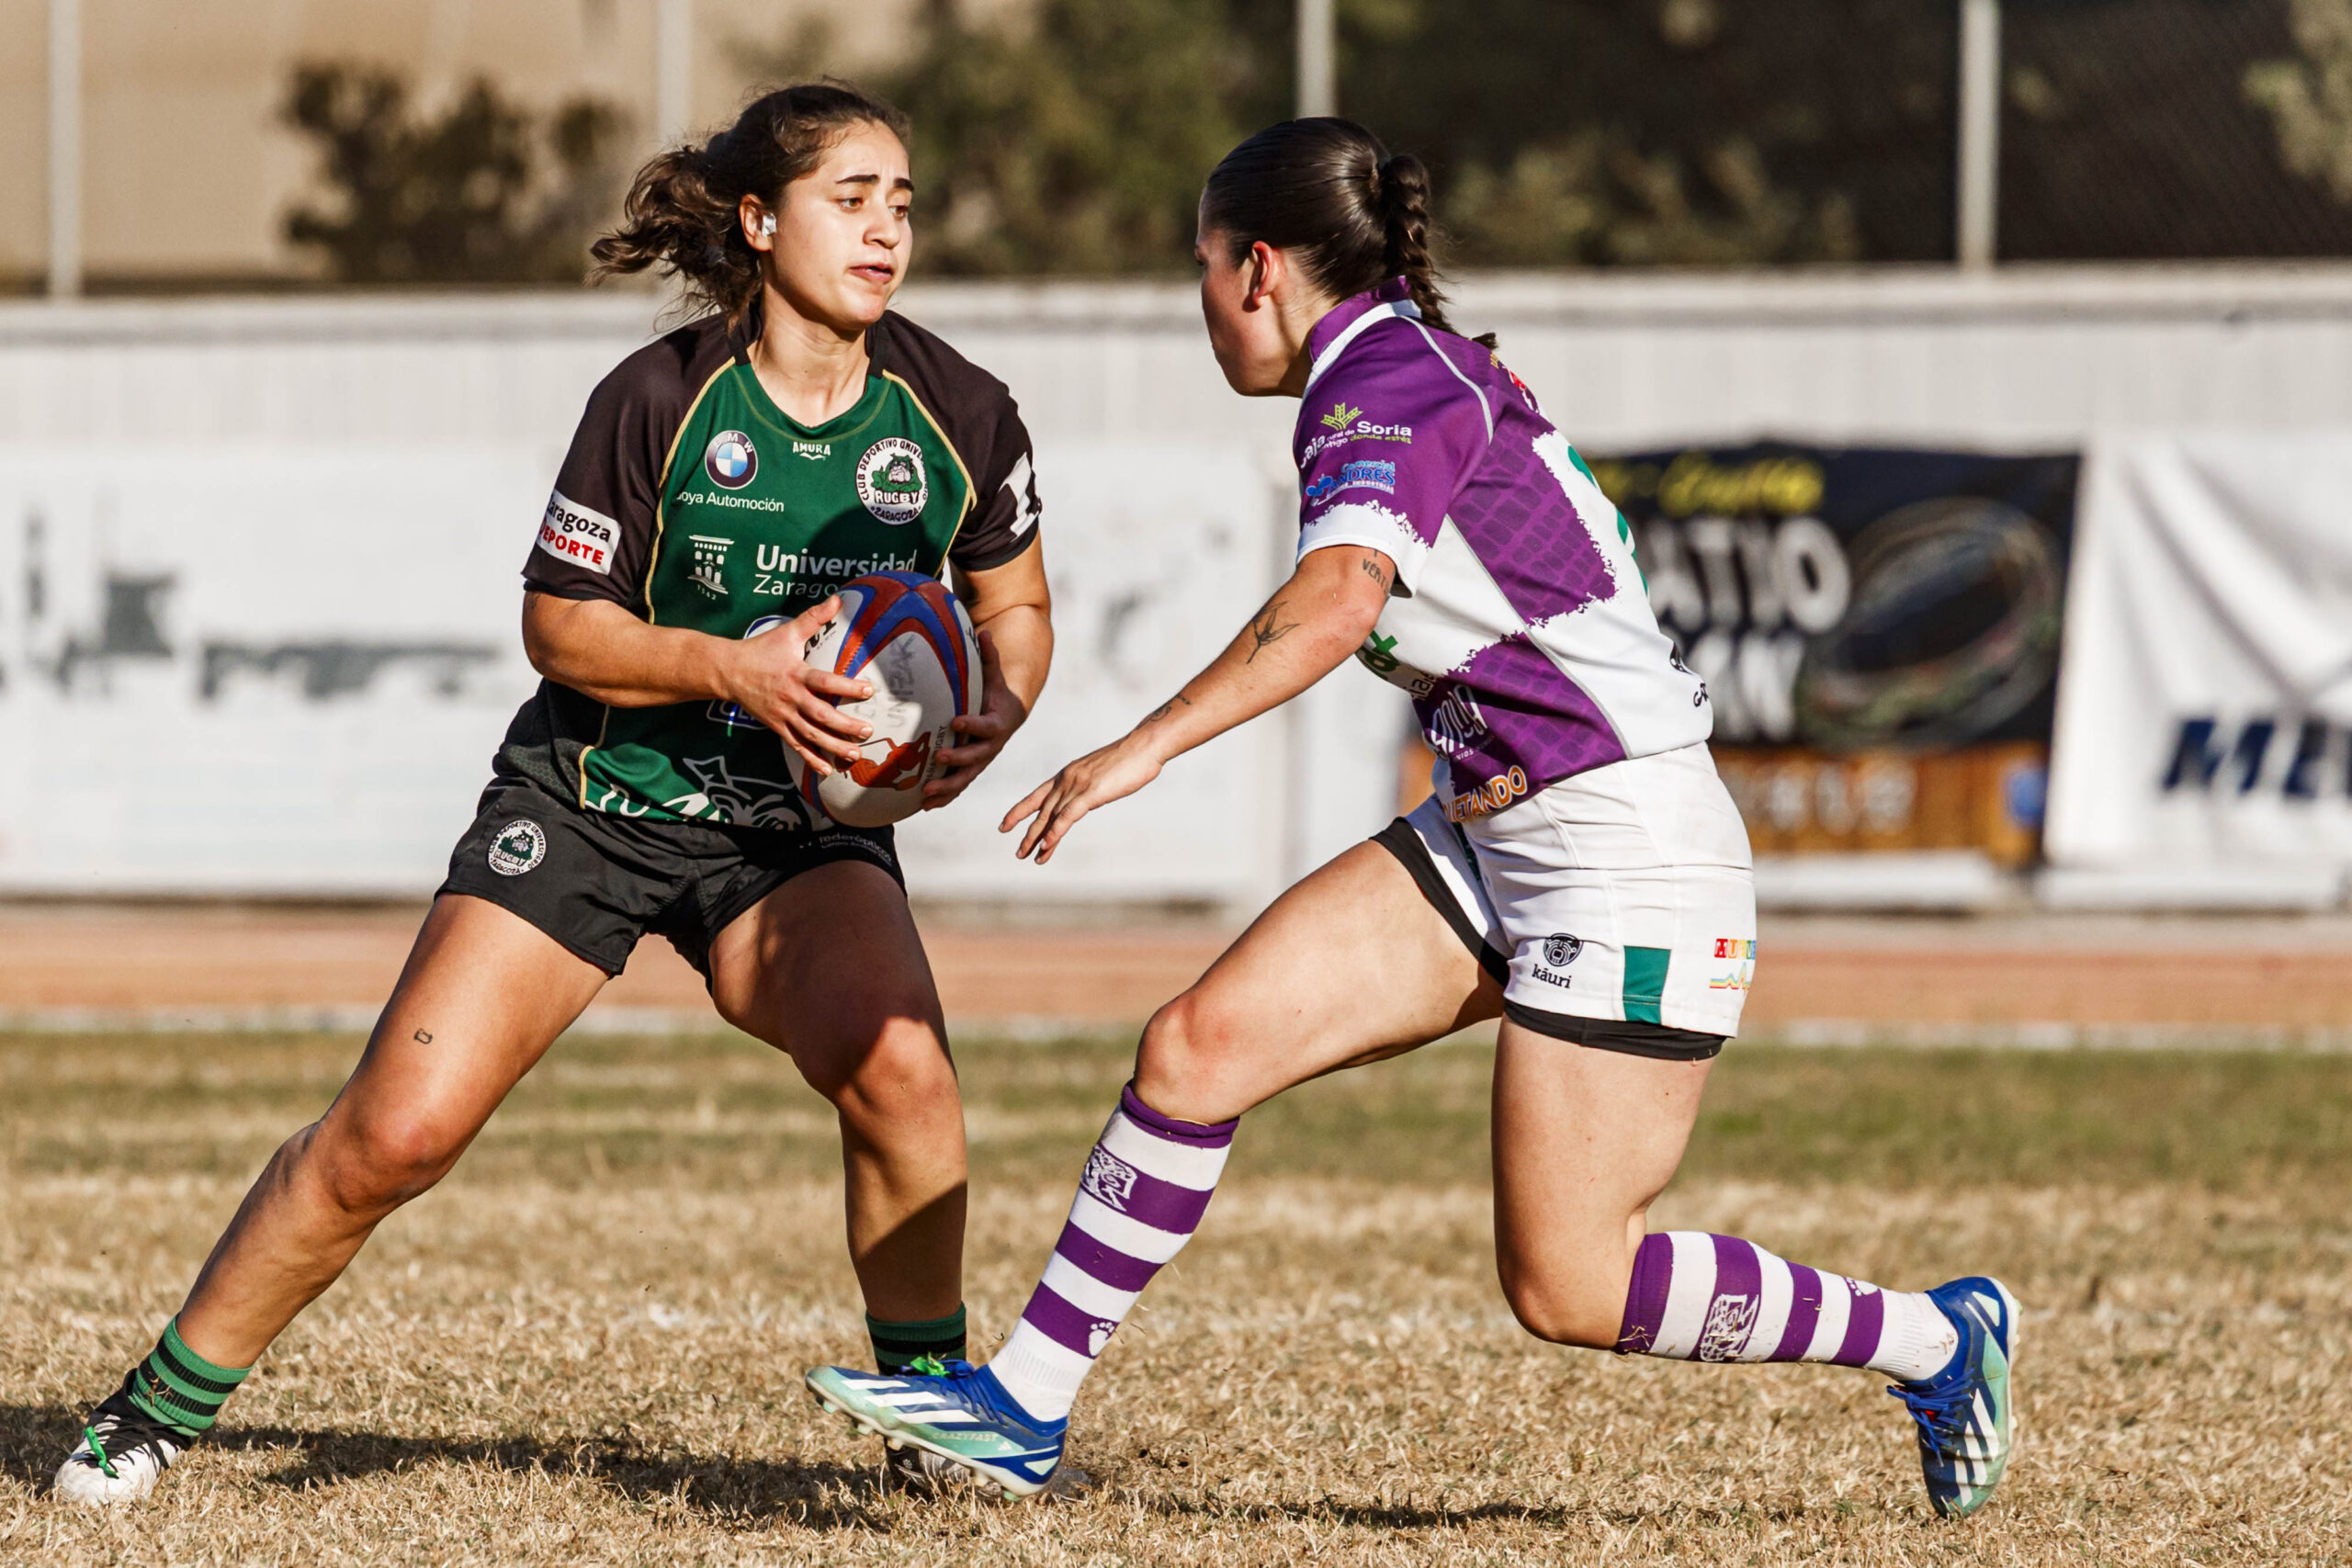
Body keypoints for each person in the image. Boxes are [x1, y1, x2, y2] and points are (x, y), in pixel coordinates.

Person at [804, 118, 2018, 1521]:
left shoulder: (1379, 377)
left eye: (1200, 267)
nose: (1201, 302)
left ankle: (1939, 1337)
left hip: (1621, 851)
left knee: (1570, 1285)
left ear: (1258, 268)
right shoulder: (1399, 364)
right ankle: (1022, 1408)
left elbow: (1335, 605)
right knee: (1197, 1049)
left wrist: (1141, 748)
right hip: (1502, 829)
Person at [57, 81, 1054, 1506]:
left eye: (901, 200)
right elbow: (559, 626)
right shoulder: (658, 399)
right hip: (593, 793)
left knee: (905, 1080)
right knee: (393, 1136)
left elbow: (1015, 615)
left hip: (790, 836)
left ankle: (932, 1431)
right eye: (852, 199)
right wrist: (737, 669)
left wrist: (991, 721)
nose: (886, 228)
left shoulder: (959, 410)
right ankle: (147, 1415)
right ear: (761, 225)